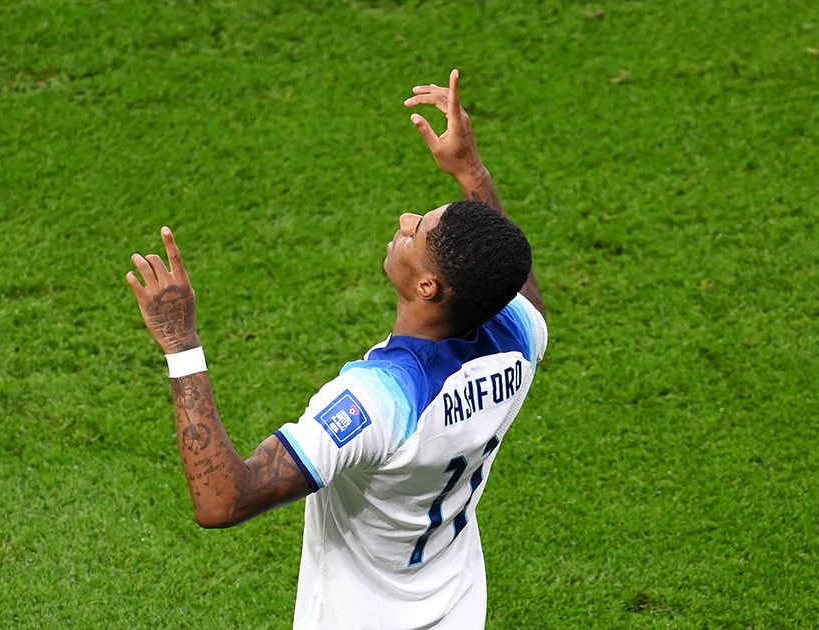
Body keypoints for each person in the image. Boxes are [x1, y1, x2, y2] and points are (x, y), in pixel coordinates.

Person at [125, 69, 547, 629]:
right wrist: (470, 171)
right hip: (454, 610)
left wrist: (181, 343)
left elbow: (223, 500)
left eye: (417, 230)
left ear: (428, 287)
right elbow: (515, 280)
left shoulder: (376, 399)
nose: (404, 221)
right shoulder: (519, 341)